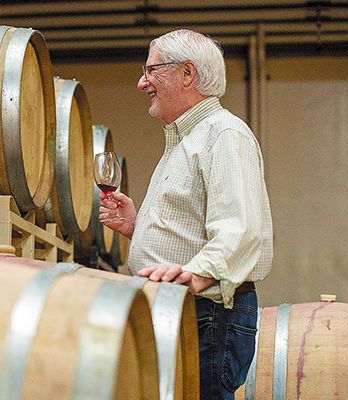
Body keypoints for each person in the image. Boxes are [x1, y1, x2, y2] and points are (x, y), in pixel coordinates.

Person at [99, 29, 273, 399]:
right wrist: (137, 227)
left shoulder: (223, 134)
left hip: (209, 315)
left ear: (187, 74)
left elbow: (241, 230)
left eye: (151, 71)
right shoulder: (183, 140)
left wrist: (196, 274)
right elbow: (194, 226)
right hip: (185, 310)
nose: (141, 83)